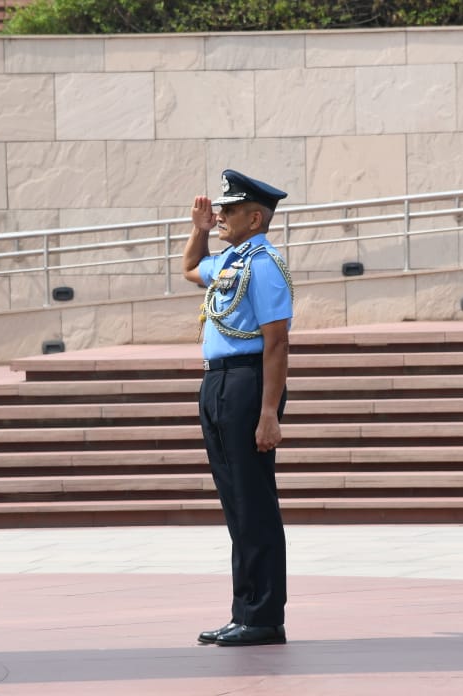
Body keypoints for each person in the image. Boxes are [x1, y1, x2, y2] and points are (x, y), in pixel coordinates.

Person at [182, 169, 293, 647]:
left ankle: (264, 616)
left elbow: (277, 342)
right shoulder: (231, 260)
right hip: (219, 381)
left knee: (253, 502)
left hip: (248, 382)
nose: (221, 215)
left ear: (255, 218)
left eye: (229, 210)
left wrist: (269, 413)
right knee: (236, 503)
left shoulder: (264, 264)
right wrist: (200, 231)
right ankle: (244, 610)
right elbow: (191, 268)